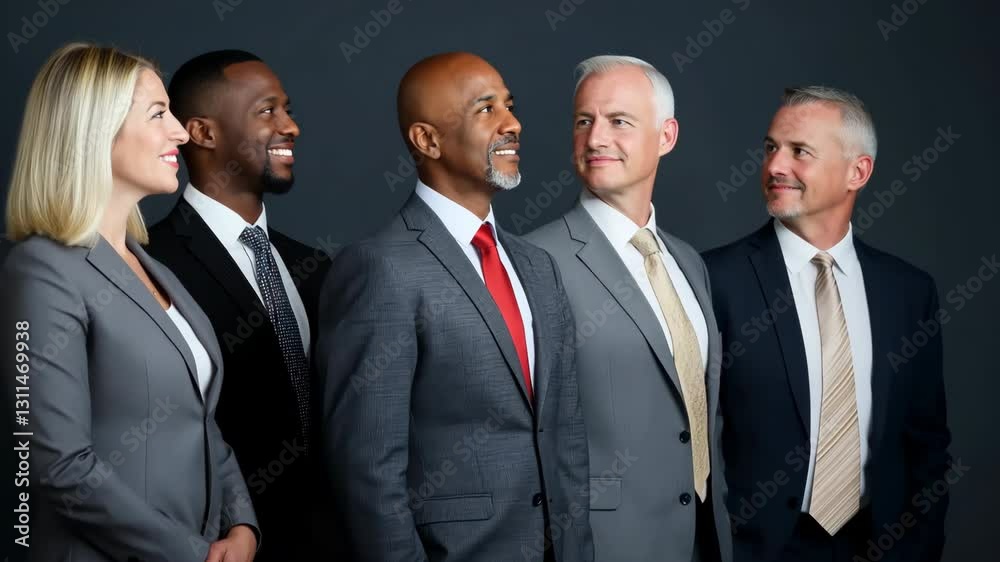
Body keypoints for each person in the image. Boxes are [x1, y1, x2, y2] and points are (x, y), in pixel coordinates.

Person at [316, 52, 593, 562]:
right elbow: (367, 468)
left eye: (509, 106)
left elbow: (566, 436)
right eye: (486, 110)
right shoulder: (379, 268)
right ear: (427, 140)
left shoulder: (537, 267)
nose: (514, 124)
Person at [1, 42, 258, 562]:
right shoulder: (41, 271)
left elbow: (201, 421)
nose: (181, 133)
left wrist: (243, 524)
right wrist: (191, 553)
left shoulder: (156, 269)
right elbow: (55, 464)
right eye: (159, 113)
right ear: (93, 128)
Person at [703, 86, 951, 561]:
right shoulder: (713, 279)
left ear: (858, 171)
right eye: (771, 148)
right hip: (758, 551)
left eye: (800, 152)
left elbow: (927, 443)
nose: (776, 166)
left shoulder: (908, 291)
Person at [527, 55, 732, 562]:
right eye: (583, 121)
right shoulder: (533, 262)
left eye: (619, 121)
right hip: (604, 545)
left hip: (704, 539)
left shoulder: (687, 262)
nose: (595, 139)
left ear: (667, 136)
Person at [145, 50, 334, 560]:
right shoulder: (146, 265)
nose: (290, 126)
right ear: (203, 133)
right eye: (267, 111)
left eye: (287, 109)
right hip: (221, 545)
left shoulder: (316, 267)